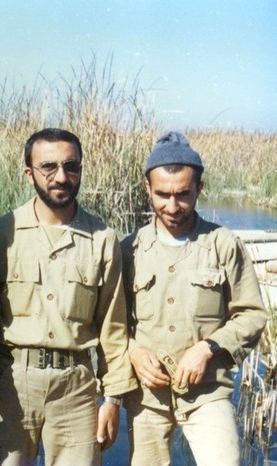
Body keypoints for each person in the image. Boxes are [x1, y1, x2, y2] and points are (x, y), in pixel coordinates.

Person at [0, 128, 137, 465]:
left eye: (71, 166)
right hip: (12, 383)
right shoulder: (0, 233)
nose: (61, 177)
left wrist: (112, 400)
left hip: (76, 387)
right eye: (48, 167)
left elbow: (113, 327)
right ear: (28, 173)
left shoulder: (102, 239)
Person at [121, 132, 267, 466]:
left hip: (208, 393)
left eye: (183, 194)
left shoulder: (224, 244)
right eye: (162, 194)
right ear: (147, 188)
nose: (172, 207)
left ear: (199, 188)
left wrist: (208, 348)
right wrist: (134, 352)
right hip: (147, 396)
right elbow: (112, 323)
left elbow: (252, 315)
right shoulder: (128, 250)